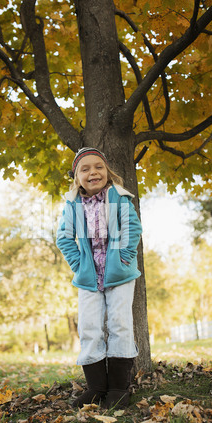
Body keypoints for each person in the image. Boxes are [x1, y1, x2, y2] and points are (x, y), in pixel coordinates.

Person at [56, 147, 142, 409]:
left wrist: (125, 257)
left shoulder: (120, 198)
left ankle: (118, 388)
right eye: (85, 169)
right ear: (77, 177)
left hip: (119, 272)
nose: (93, 172)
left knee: (120, 323)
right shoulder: (72, 205)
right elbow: (64, 238)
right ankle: (96, 388)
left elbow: (132, 228)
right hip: (89, 276)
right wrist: (78, 264)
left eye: (98, 167)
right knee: (89, 327)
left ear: (107, 172)